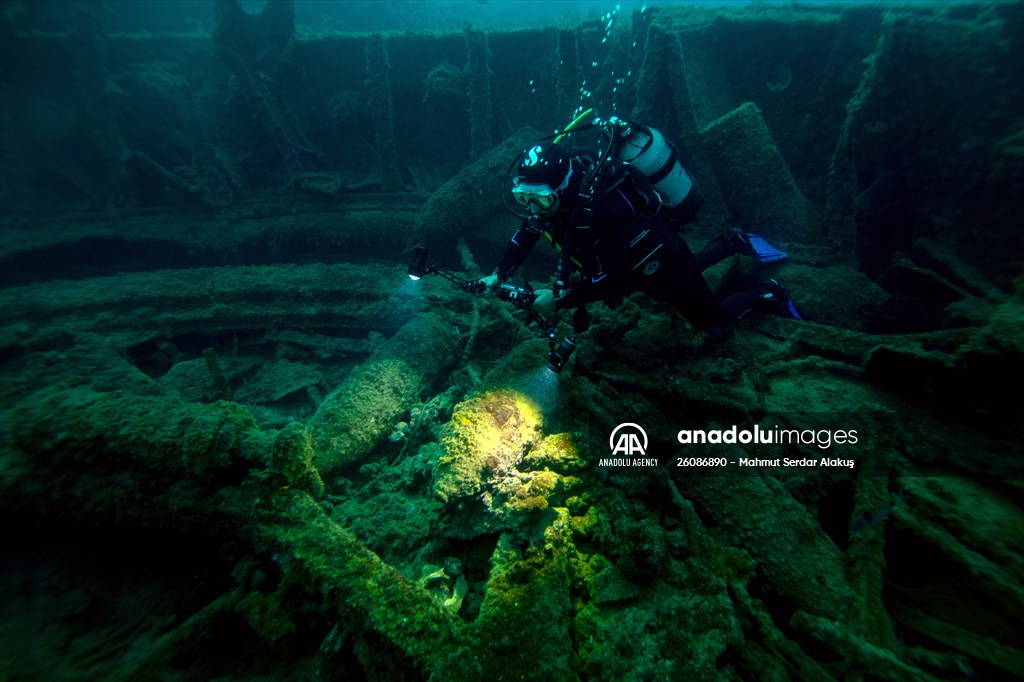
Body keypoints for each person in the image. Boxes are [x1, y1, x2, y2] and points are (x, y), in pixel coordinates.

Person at [480, 134, 802, 335]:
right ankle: (733, 241)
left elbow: (616, 278)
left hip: (660, 258)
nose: (534, 207)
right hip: (638, 264)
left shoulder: (603, 208)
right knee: (665, 287)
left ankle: (769, 292)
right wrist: (498, 274)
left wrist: (561, 300)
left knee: (715, 323)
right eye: (524, 197)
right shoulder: (556, 204)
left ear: (562, 187)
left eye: (541, 198)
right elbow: (527, 232)